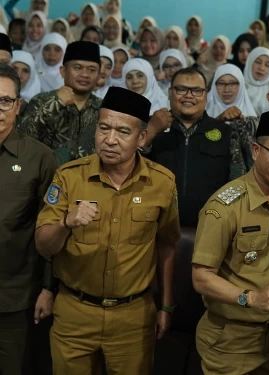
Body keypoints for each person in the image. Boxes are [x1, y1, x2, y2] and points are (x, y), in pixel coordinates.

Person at [34, 86, 180, 374]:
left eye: (123, 132)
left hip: (133, 318)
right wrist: (66, 223)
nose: (110, 140)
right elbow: (43, 246)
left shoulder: (162, 183)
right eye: (103, 128)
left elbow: (166, 244)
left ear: (141, 138)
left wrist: (166, 306)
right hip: (75, 313)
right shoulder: (69, 176)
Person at [192, 110, 269, 374]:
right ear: (255, 151)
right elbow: (201, 278)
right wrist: (251, 298)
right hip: (230, 341)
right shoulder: (224, 207)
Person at [0, 63, 57, 375]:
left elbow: (49, 229)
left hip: (15, 298)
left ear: (18, 106)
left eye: (5, 101)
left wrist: (48, 288)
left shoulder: (40, 158)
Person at [146, 67, 245, 227]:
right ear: (170, 92)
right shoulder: (151, 126)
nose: (189, 95)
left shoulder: (225, 132)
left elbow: (237, 182)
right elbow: (128, 166)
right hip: (155, 227)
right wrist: (150, 132)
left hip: (210, 230)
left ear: (206, 95)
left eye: (196, 91)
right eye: (181, 89)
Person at [20, 41, 101, 165]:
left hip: (90, 181)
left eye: (92, 69)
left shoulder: (104, 109)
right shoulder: (41, 100)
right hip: (48, 180)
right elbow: (24, 136)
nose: (85, 74)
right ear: (63, 71)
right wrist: (56, 102)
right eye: (78, 68)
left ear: (99, 75)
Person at [244, 46, 269, 116]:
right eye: (258, 62)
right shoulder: (237, 85)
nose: (261, 68)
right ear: (250, 62)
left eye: (267, 65)